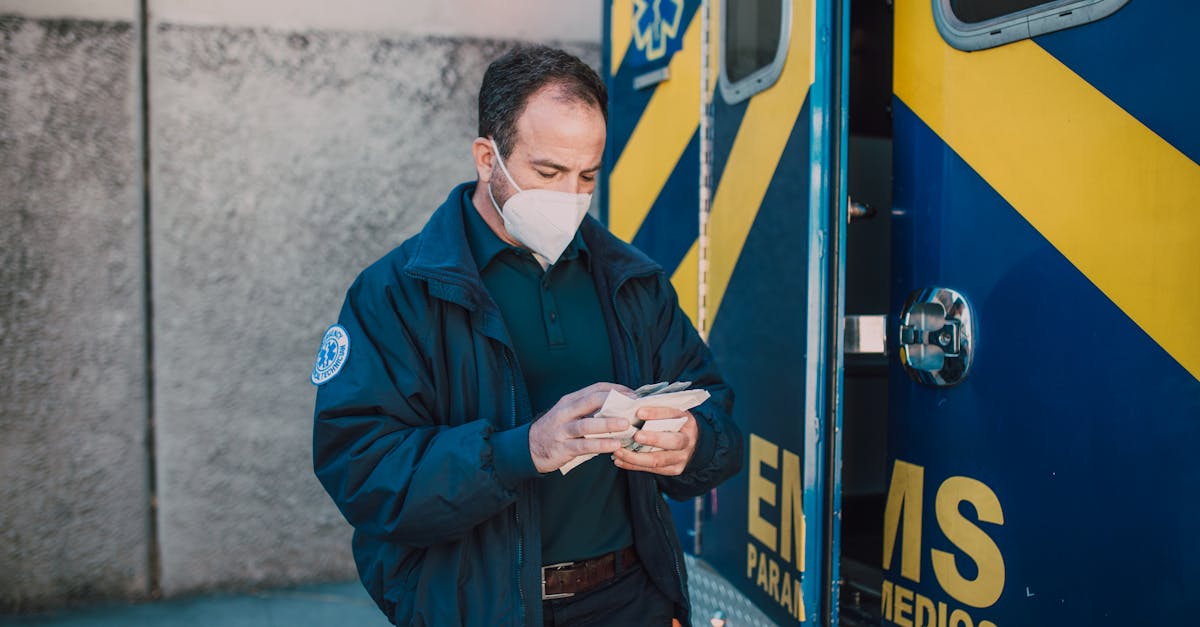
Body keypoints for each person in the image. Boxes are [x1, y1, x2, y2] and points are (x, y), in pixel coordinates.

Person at [311, 45, 742, 627]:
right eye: (547, 173)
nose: (570, 197)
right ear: (487, 158)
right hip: (479, 607)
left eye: (587, 175)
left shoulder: (629, 279)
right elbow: (362, 471)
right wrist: (526, 450)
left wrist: (692, 441)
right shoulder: (398, 292)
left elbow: (717, 415)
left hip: (630, 599)